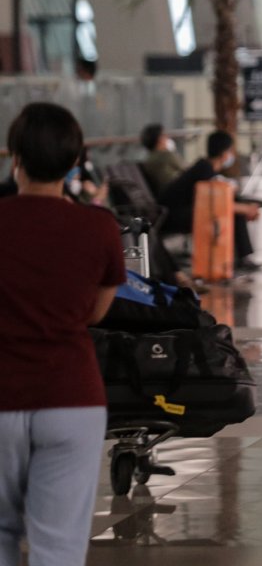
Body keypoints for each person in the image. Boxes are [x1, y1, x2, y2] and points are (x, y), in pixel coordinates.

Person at [0, 102, 124, 566]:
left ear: (15, 159)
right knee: (59, 547)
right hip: (71, 398)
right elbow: (95, 312)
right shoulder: (99, 227)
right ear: (75, 163)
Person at [160, 131, 261, 270]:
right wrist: (246, 209)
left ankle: (241, 258)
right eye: (231, 151)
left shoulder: (205, 167)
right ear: (225, 153)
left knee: (235, 209)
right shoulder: (204, 170)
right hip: (174, 216)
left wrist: (245, 208)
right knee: (233, 213)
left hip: (180, 213)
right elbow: (215, 205)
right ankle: (242, 259)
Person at [140, 123, 185, 198]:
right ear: (159, 139)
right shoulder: (166, 155)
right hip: (174, 191)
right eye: (164, 135)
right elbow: (186, 168)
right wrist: (172, 152)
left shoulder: (150, 158)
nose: (167, 138)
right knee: (203, 166)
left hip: (166, 192)